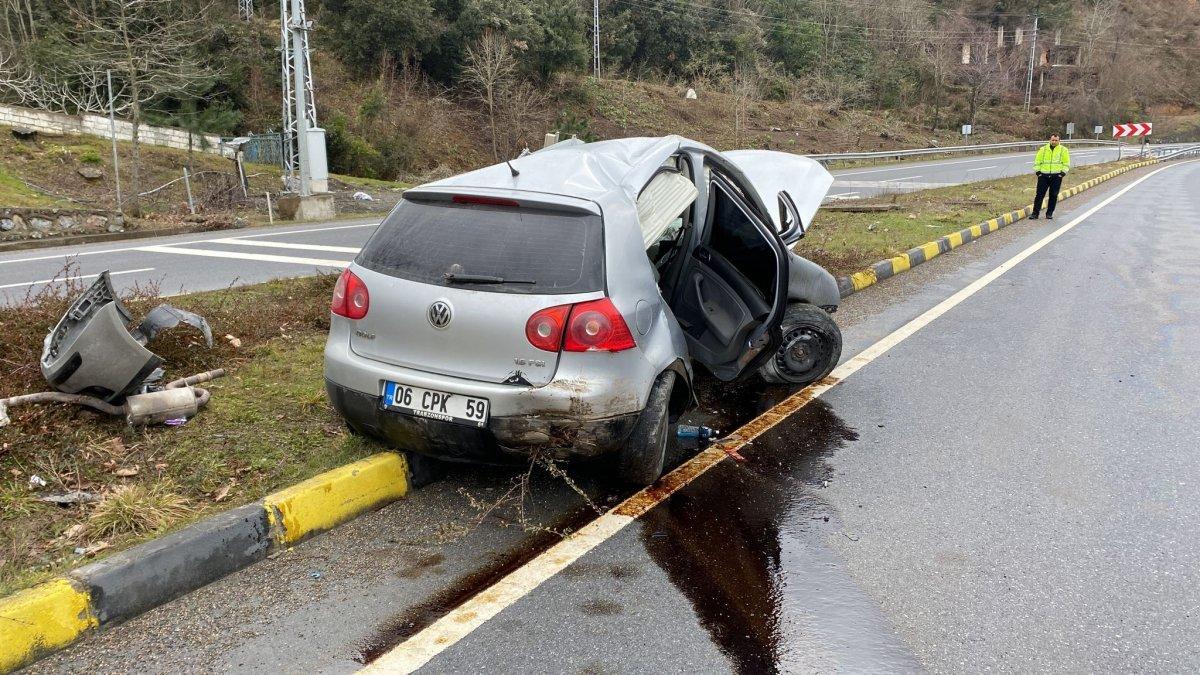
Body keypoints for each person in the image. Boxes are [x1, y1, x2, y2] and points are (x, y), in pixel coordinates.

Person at [1030, 134, 1070, 220]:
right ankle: (1035, 213)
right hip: (1043, 176)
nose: (1054, 142)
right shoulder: (1043, 149)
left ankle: (1049, 213)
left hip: (1056, 176)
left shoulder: (1063, 150)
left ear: (1059, 141)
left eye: (1056, 140)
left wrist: (1062, 174)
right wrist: (1038, 172)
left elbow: (1066, 163)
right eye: (1053, 140)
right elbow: (1037, 162)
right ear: (1050, 140)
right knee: (1039, 195)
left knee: (1053, 195)